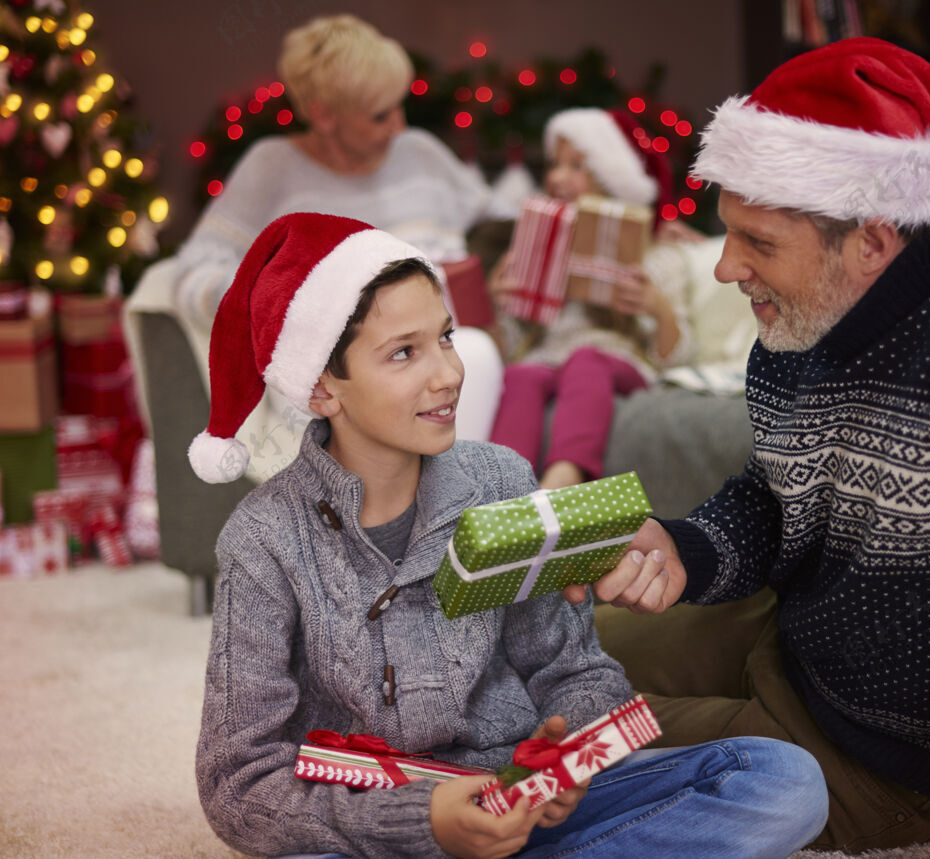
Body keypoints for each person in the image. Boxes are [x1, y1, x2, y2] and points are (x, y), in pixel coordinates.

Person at [571, 38, 930, 857]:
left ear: (871, 240)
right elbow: (775, 497)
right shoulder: (796, 324)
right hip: (792, 644)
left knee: (543, 735)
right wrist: (683, 550)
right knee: (543, 647)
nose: (728, 268)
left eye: (757, 242)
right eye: (728, 234)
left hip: (889, 762)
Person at [190, 211, 827, 858]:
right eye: (404, 352)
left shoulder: (501, 480)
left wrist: (569, 757)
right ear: (323, 387)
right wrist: (425, 821)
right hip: (375, 832)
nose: (447, 373)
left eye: (446, 337)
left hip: (519, 805)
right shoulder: (263, 541)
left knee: (784, 780)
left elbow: (575, 669)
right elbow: (238, 787)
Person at [159, 14, 502, 482]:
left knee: (476, 356)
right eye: (380, 114)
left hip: (440, 339)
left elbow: (497, 219)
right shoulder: (272, 169)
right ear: (323, 114)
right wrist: (285, 304)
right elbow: (192, 272)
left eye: (400, 106)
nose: (398, 126)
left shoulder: (419, 152)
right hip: (339, 362)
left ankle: (452, 521)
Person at [488, 108, 693, 490]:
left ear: (608, 176)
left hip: (614, 357)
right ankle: (504, 493)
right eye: (555, 164)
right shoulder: (536, 248)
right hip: (547, 358)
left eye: (577, 166)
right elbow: (512, 350)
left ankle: (563, 480)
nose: (556, 177)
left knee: (585, 361)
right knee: (520, 375)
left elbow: (677, 359)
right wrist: (501, 304)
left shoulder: (657, 257)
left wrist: (658, 308)